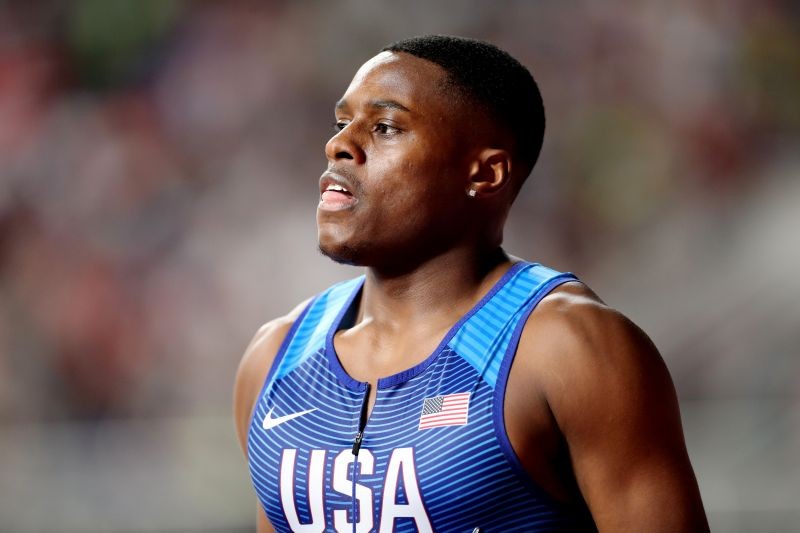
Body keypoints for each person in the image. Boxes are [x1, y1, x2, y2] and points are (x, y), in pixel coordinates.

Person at [234, 35, 709, 532]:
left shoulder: (569, 349)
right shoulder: (275, 358)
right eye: (341, 123)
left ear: (484, 173)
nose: (339, 145)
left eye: (386, 127)